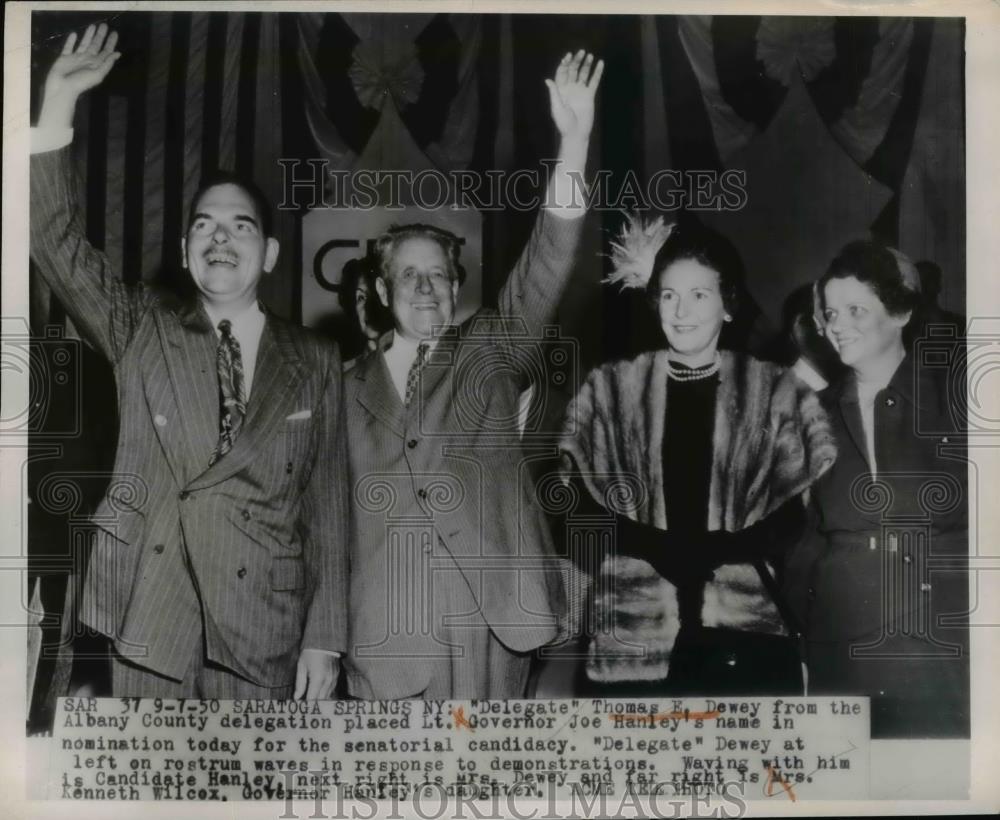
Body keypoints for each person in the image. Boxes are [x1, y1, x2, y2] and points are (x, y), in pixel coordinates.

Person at [29, 25, 348, 699]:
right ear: (183, 251)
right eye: (204, 224)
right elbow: (55, 241)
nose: (220, 238)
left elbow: (329, 509)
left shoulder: (315, 358)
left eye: (241, 226)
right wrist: (58, 102)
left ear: (268, 256)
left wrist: (326, 635)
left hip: (268, 627)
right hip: (150, 613)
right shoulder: (141, 326)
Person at [344, 50, 603, 700]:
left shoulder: (490, 345)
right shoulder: (339, 385)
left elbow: (547, 261)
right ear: (381, 288)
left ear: (458, 287)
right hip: (386, 637)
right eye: (409, 274)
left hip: (491, 626)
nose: (426, 287)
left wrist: (573, 143)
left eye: (440, 275)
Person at [558, 214, 837, 695]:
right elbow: (574, 510)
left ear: (728, 305)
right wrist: (658, 546)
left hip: (743, 637)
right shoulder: (608, 394)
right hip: (636, 636)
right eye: (669, 295)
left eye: (699, 295)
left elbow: (794, 518)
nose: (681, 311)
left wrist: (719, 549)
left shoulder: (773, 395)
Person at [785, 241, 969, 737]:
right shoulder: (809, 417)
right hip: (843, 656)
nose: (837, 324)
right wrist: (806, 645)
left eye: (855, 310)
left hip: (945, 653)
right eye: (829, 313)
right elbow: (805, 542)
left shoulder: (960, 398)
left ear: (901, 311)